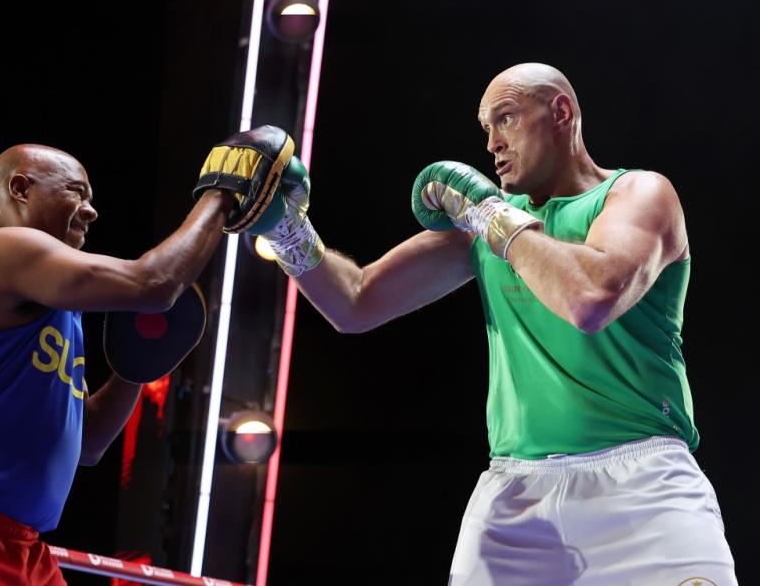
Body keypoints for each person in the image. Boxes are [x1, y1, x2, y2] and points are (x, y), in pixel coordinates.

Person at [252, 63, 738, 584]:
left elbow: (592, 298)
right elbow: (355, 303)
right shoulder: (483, 224)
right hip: (516, 498)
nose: (491, 144)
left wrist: (489, 217)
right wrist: (285, 229)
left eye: (505, 119)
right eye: (485, 128)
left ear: (561, 112)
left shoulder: (639, 194)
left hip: (646, 489)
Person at [0, 143, 247, 585]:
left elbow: (89, 444)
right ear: (21, 188)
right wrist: (221, 194)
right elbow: (154, 283)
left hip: (24, 547)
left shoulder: (63, 313)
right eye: (76, 193)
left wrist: (137, 366)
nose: (91, 211)